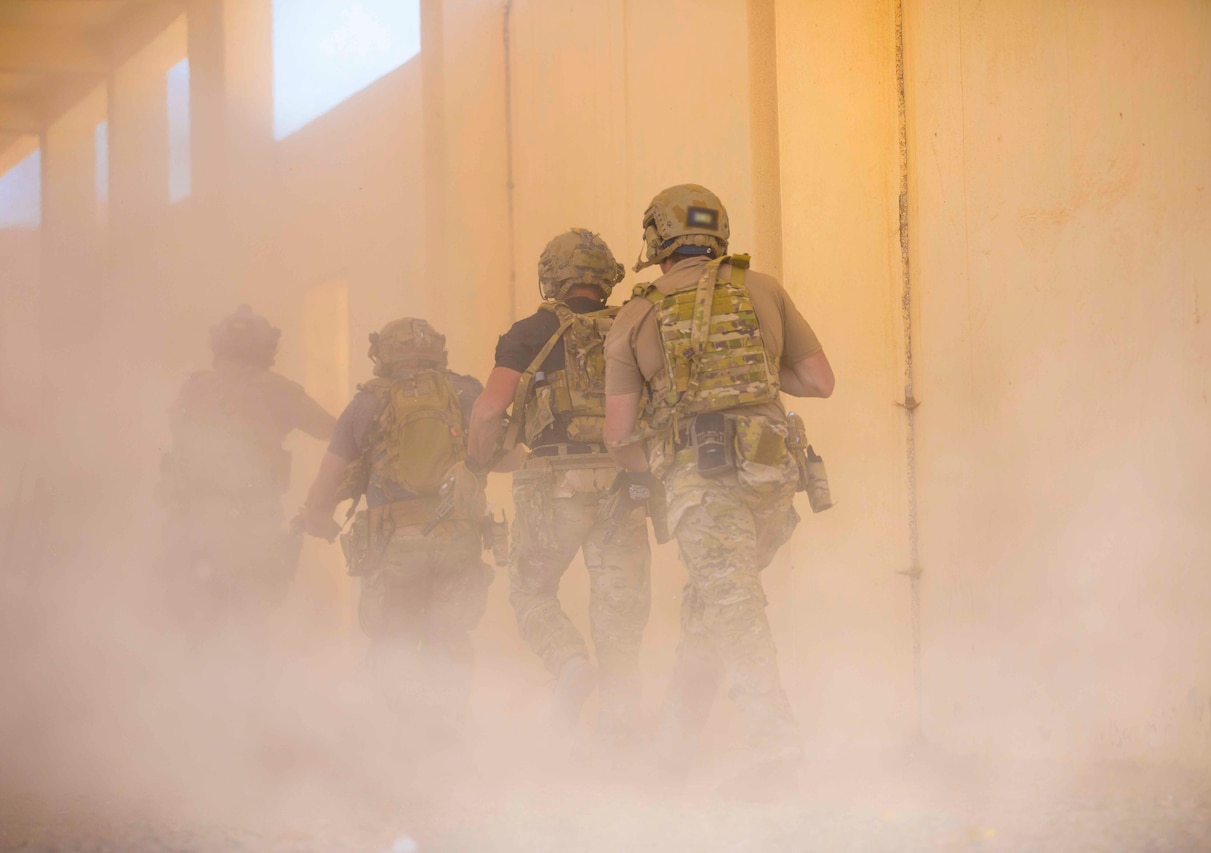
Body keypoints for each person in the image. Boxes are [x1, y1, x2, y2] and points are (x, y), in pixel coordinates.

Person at [603, 184, 835, 793]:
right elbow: (818, 382)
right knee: (711, 603)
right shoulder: (764, 289)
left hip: (699, 483)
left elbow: (619, 436)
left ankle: (775, 750)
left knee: (732, 608)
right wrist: (753, 378)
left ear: (656, 241)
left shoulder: (634, 317)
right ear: (718, 232)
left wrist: (659, 462)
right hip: (771, 474)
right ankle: (674, 746)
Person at [467, 229, 652, 739]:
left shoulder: (530, 331)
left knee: (531, 591)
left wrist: (476, 463)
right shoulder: (633, 326)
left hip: (553, 482)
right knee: (620, 615)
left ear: (552, 275)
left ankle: (569, 662)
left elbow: (488, 412)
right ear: (606, 276)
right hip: (625, 481)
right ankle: (620, 737)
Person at [301, 318, 492, 732]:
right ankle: (448, 727)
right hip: (458, 537)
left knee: (395, 638)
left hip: (394, 542)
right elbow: (508, 455)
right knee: (451, 635)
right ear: (438, 352)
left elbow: (326, 482)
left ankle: (402, 735)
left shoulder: (365, 405)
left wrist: (316, 517)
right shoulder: (464, 393)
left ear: (382, 356)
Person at [158, 304, 335, 641]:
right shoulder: (276, 389)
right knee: (249, 621)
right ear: (265, 346)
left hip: (191, 524)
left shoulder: (194, 388)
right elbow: (334, 432)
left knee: (196, 626)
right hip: (250, 524)